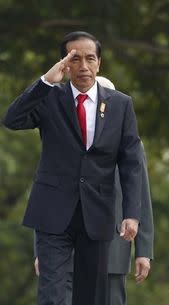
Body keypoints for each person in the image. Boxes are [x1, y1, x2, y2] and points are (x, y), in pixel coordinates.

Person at [3, 31, 142, 305]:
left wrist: (132, 214)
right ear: (64, 64)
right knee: (52, 294)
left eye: (90, 59)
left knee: (90, 297)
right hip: (53, 211)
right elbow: (12, 119)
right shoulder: (49, 97)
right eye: (75, 59)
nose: (83, 66)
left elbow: (131, 161)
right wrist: (44, 82)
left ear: (99, 63)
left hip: (98, 212)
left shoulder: (121, 105)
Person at [33, 76, 154, 305]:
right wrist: (40, 251)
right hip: (65, 249)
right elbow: (45, 196)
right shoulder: (64, 141)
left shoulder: (130, 144)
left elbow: (140, 196)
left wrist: (143, 250)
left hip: (114, 247)